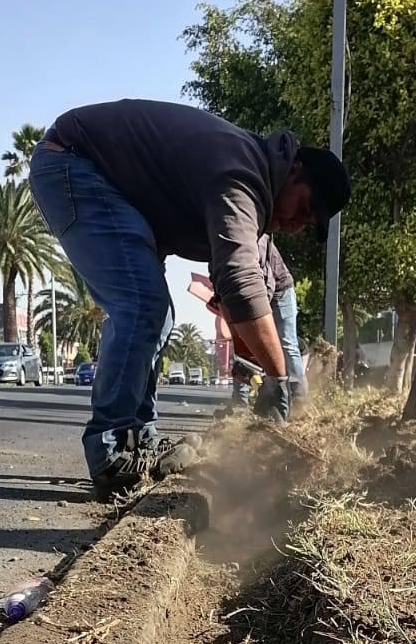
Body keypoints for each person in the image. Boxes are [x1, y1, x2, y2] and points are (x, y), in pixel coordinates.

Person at [28, 100, 349, 500]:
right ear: (295, 171)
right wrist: (278, 377)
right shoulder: (243, 176)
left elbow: (235, 297)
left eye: (310, 224)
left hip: (98, 177)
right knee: (142, 304)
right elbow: (239, 281)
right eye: (304, 208)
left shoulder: (254, 188)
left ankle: (137, 442)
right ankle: (111, 452)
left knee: (156, 316)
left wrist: (258, 366)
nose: (300, 224)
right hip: (75, 165)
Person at [231, 237, 307, 414]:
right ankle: (271, 393)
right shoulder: (224, 246)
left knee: (287, 344)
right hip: (259, 294)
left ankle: (298, 398)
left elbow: (267, 281)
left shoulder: (254, 238)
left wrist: (258, 316)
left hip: (280, 291)